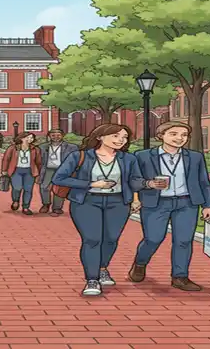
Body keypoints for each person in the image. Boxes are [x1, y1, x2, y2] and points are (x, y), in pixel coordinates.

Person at [52, 123, 143, 297]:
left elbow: (135, 180)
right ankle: (92, 279)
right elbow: (59, 178)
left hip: (118, 202)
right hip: (87, 201)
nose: (120, 140)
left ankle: (102, 268)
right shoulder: (79, 156)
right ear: (100, 137)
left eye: (124, 137)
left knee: (111, 239)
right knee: (92, 239)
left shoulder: (128, 159)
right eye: (116, 136)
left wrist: (136, 198)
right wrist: (91, 184)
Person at [128, 122, 210, 291]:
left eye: (183, 135)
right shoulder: (143, 156)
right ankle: (140, 263)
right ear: (161, 136)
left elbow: (203, 182)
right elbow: (132, 180)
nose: (179, 138)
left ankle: (180, 276)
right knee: (153, 238)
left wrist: (208, 205)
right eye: (174, 134)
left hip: (186, 202)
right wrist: (149, 183)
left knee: (183, 240)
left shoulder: (195, 157)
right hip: (156, 202)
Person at [37, 129, 78, 215]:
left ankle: (57, 208)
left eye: (58, 135)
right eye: (53, 135)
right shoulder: (42, 147)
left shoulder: (71, 147)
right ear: (49, 136)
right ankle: (46, 204)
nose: (56, 137)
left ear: (62, 135)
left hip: (62, 170)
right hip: (48, 169)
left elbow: (75, 160)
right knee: (44, 187)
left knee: (60, 189)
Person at [2, 132, 42, 215]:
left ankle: (26, 207)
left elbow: (39, 162)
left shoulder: (35, 149)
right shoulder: (12, 148)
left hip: (30, 171)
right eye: (27, 138)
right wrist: (4, 170)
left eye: (31, 138)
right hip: (16, 170)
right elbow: (6, 159)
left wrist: (40, 173)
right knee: (17, 188)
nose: (30, 139)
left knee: (28, 189)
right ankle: (15, 201)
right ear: (21, 138)